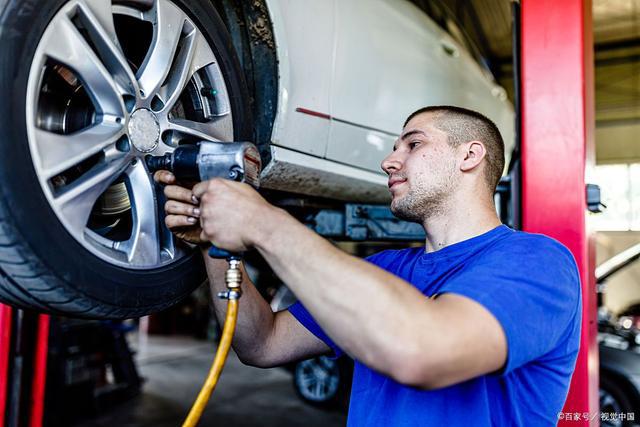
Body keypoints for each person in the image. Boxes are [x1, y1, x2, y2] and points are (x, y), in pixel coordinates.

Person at [154, 106, 581, 426]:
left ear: (469, 155)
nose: (389, 161)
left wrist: (264, 223)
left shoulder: (538, 261)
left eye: (413, 144)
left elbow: (423, 352)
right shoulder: (385, 270)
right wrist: (216, 246)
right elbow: (262, 344)